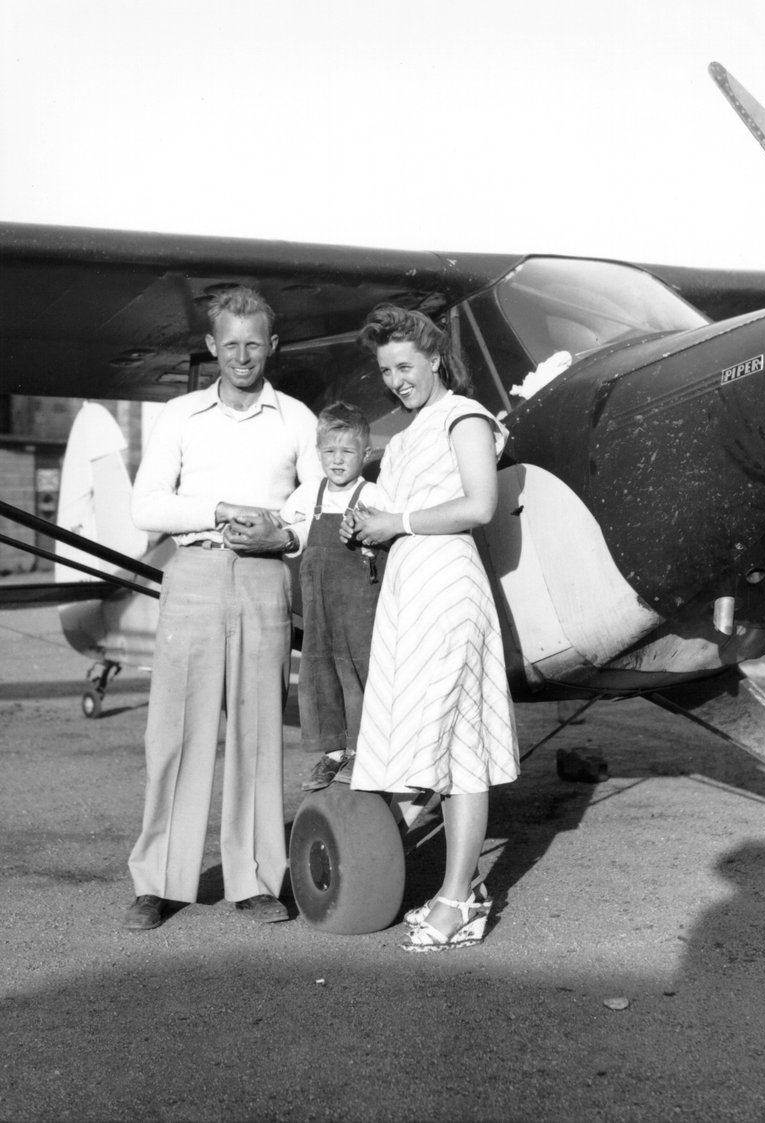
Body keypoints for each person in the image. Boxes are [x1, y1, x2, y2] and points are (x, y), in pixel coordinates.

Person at [124, 285, 320, 931]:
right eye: (229, 344)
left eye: (253, 343)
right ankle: (159, 881)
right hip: (196, 572)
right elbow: (147, 505)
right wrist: (218, 509)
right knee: (175, 732)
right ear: (212, 346)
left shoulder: (297, 419)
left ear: (272, 345)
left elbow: (315, 508)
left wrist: (282, 535)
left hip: (265, 579)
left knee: (260, 731)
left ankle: (257, 879)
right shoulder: (180, 415)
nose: (242, 356)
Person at [342, 303, 519, 952]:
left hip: (448, 591)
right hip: (410, 592)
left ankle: (457, 899)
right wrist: (365, 528)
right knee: (443, 750)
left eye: (406, 365)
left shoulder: (464, 417)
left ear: (436, 358)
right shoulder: (408, 435)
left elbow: (479, 503)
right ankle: (461, 894)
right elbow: (386, 513)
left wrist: (397, 523)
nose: (396, 379)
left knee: (458, 746)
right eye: (386, 369)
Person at [279, 401, 381, 791]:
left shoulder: (374, 492)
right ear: (318, 452)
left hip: (358, 606)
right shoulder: (309, 493)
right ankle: (332, 751)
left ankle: (360, 749)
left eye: (348, 451)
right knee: (319, 671)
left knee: (357, 672)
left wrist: (368, 533)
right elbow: (287, 531)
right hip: (318, 607)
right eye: (329, 451)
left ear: (365, 454)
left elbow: (385, 536)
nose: (337, 460)